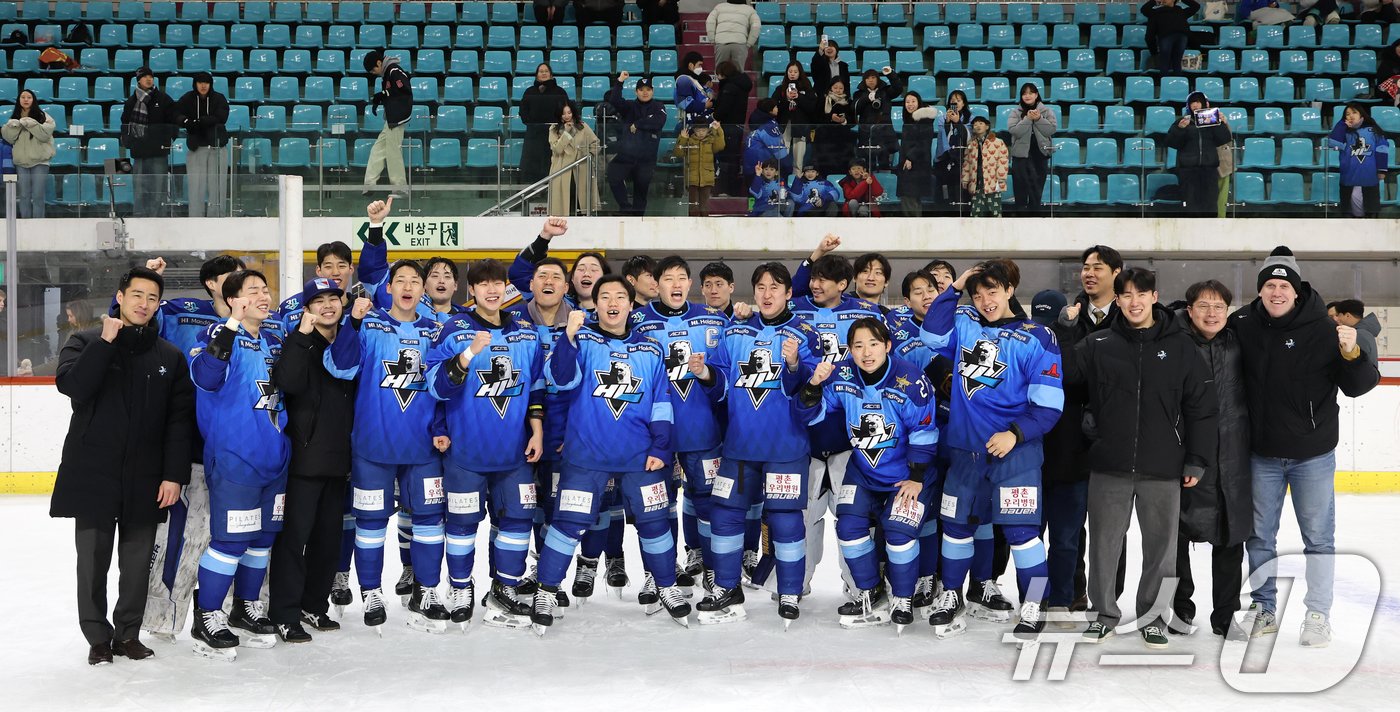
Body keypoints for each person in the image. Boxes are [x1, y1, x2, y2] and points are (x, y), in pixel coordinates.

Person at [1231, 246, 1380, 646]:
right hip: (1261, 452)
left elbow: (1358, 386)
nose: (1276, 292)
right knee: (1260, 536)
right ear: (1260, 290)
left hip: (1311, 454)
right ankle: (1263, 608)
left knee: (1318, 538)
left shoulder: (1324, 329)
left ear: (1297, 291)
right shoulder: (1242, 323)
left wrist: (1353, 353)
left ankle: (1317, 614)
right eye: (1269, 285)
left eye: (1283, 285)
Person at [530, 275, 691, 632]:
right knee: (568, 523)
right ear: (595, 304)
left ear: (631, 306)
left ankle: (665, 585)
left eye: (621, 296)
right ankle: (546, 589)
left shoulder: (649, 350)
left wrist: (661, 448)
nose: (613, 302)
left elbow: (662, 403)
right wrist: (568, 336)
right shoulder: (581, 339)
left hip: (640, 456)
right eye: (605, 297)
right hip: (587, 453)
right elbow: (561, 378)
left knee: (654, 522)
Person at [1070, 268, 1219, 650]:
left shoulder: (1182, 347)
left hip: (1163, 466)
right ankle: (1103, 614)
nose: (1134, 302)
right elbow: (1067, 386)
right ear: (1116, 300)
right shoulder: (1097, 343)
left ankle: (1154, 616)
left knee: (1162, 549)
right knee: (1104, 545)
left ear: (1154, 296)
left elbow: (1201, 409)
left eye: (1142, 294)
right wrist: (1090, 429)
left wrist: (1196, 459)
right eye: (1126, 295)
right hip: (1109, 465)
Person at [50, 267, 193, 665]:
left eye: (152, 298)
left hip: (146, 478)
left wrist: (174, 475)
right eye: (137, 295)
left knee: (135, 566)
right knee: (92, 563)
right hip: (94, 473)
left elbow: (178, 422)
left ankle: (127, 634)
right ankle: (97, 637)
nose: (144, 304)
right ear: (120, 296)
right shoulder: (85, 341)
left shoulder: (170, 357)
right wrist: (106, 343)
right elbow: (74, 388)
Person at [918, 259, 1064, 641]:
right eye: (978, 294)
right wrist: (955, 287)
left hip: (1015, 454)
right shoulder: (963, 322)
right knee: (956, 527)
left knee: (1022, 533)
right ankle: (951, 593)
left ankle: (1034, 602)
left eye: (993, 291)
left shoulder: (1039, 337)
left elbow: (1048, 405)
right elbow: (931, 337)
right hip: (965, 452)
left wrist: (1015, 434)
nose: (985, 300)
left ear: (1011, 290)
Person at [691, 262, 822, 626]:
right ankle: (727, 587)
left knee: (784, 520)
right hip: (739, 449)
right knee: (726, 515)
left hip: (786, 449)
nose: (766, 294)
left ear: (788, 293)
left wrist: (796, 366)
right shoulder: (736, 332)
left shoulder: (804, 334)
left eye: (775, 288)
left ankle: (791, 590)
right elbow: (719, 384)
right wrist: (704, 372)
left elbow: (810, 393)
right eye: (761, 287)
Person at [324, 260, 446, 633]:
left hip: (423, 449)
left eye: (415, 281)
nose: (408, 286)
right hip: (373, 447)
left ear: (423, 291)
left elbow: (445, 391)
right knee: (371, 522)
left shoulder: (438, 330)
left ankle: (426, 589)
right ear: (388, 288)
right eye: (401, 281)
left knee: (428, 521)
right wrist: (353, 322)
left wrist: (440, 428)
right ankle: (372, 591)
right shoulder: (369, 324)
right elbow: (340, 367)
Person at [425, 259, 546, 629]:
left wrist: (537, 430)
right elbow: (435, 387)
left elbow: (537, 386)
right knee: (462, 523)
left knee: (518, 519)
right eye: (483, 284)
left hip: (515, 451)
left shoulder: (526, 332)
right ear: (472, 291)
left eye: (498, 283)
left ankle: (504, 588)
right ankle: (460, 586)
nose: (492, 290)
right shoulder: (453, 330)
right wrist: (466, 356)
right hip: (466, 452)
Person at [803, 317, 939, 631]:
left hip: (907, 475)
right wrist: (812, 387)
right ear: (849, 350)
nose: (867, 352)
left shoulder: (911, 380)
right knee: (848, 528)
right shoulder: (842, 375)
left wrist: (917, 476)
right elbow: (813, 414)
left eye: (874, 344)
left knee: (898, 533)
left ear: (888, 346)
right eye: (858, 345)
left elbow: (924, 432)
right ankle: (869, 590)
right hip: (863, 472)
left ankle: (902, 597)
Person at [188, 269, 289, 659]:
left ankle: (245, 608)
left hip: (274, 460)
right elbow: (207, 378)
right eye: (252, 292)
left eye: (265, 290)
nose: (263, 296)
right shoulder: (213, 337)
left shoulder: (274, 342)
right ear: (232, 300)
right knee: (230, 542)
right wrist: (230, 326)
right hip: (235, 461)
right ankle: (207, 615)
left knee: (262, 541)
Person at [787, 237, 885, 599]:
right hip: (805, 434)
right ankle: (795, 582)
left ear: (843, 284)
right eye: (814, 277)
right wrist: (812, 257)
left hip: (850, 438)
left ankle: (859, 585)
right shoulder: (796, 310)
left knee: (854, 517)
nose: (815, 284)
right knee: (803, 517)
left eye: (824, 278)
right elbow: (785, 291)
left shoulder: (866, 313)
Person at [629, 256, 730, 601]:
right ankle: (657, 572)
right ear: (656, 284)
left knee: (707, 503)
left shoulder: (714, 321)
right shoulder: (637, 322)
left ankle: (713, 568)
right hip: (654, 437)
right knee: (656, 505)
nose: (675, 284)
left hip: (702, 433)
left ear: (690, 284)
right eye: (668, 278)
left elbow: (725, 386)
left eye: (682, 278)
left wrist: (706, 374)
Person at [267, 278, 353, 644]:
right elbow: (287, 382)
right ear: (306, 308)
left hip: (340, 460)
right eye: (318, 300)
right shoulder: (298, 341)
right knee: (295, 541)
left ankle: (313, 606)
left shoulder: (349, 342)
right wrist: (301, 337)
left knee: (329, 541)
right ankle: (285, 612)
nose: (328, 306)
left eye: (333, 298)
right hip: (304, 459)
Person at [1045, 246, 1124, 624]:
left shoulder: (1132, 319)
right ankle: (1072, 592)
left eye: (1098, 267)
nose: (1089, 273)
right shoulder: (1069, 318)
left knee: (1112, 527)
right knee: (1068, 525)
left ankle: (1109, 597)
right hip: (1071, 439)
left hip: (1117, 439)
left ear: (1117, 272)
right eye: (1085, 267)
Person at [1173, 279, 1252, 640]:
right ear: (1189, 311)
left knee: (1230, 541)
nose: (1211, 313)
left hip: (1233, 457)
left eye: (1219, 306)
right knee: (1175, 540)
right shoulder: (1174, 344)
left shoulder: (1239, 344)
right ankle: (1180, 611)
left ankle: (1226, 616)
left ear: (1228, 312)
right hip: (1187, 456)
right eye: (1203, 305)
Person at [605, 72, 666, 217]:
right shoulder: (629, 106)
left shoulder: (658, 106)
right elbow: (613, 100)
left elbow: (659, 121)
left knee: (641, 189)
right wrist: (620, 81)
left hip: (646, 158)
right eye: (641, 90)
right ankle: (625, 208)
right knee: (613, 174)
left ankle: (638, 218)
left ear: (653, 91)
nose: (645, 92)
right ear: (636, 91)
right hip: (626, 156)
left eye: (648, 89)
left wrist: (638, 124)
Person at [120, 67, 176, 217]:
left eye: (151, 76)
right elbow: (125, 124)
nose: (149, 79)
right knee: (139, 189)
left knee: (159, 190)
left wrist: (168, 140)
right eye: (145, 77)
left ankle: (158, 219)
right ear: (138, 80)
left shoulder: (164, 99)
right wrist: (129, 142)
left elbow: (173, 122)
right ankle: (140, 218)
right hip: (139, 153)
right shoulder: (131, 102)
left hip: (159, 153)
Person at [1165, 91, 1232, 217]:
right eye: (1192, 102)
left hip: (1209, 170)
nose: (1195, 105)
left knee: (1210, 205)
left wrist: (1221, 123)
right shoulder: (1182, 122)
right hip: (1188, 171)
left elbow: (1224, 139)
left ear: (1204, 104)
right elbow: (1171, 142)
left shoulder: (1213, 121)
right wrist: (1180, 130)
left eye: (1198, 102)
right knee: (1190, 206)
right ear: (1188, 105)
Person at [174, 72, 229, 217]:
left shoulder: (219, 98)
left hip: (217, 148)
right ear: (195, 84)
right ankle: (195, 218)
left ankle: (217, 217)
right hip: (196, 147)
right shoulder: (187, 98)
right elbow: (175, 113)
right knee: (195, 186)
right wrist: (186, 121)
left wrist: (200, 121)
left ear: (211, 84)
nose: (203, 85)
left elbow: (222, 117)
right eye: (200, 82)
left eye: (206, 82)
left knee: (217, 186)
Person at [362, 50, 414, 198]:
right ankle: (369, 184)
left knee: (393, 152)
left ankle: (400, 189)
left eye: (373, 69)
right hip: (391, 118)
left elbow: (404, 90)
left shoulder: (394, 70)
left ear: (379, 63)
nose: (373, 73)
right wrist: (383, 97)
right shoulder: (388, 73)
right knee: (377, 149)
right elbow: (392, 92)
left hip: (397, 117)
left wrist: (383, 94)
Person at [1327, 103, 1389, 219]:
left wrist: (1381, 169)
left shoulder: (1373, 131)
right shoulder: (1344, 132)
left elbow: (1382, 149)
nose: (1350, 116)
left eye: (1354, 112)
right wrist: (1342, 124)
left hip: (1369, 178)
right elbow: (1333, 143)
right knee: (1348, 215)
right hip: (1348, 178)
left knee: (1370, 215)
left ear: (1362, 115)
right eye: (1347, 114)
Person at [2, 89, 55, 218]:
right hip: (21, 162)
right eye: (23, 97)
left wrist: (31, 124)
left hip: (40, 161)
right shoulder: (14, 117)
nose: (26, 100)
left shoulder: (43, 116)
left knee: (38, 195)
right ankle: (25, 224)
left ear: (33, 100)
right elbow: (9, 138)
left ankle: (38, 224)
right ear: (19, 100)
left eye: (29, 97)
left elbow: (44, 135)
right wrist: (15, 126)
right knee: (24, 195)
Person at [1007, 84, 1057, 215]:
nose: (1027, 96)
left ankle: (1034, 222)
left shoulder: (1046, 111)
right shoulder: (1015, 112)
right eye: (1024, 93)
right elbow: (1014, 131)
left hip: (1040, 155)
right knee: (1020, 191)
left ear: (1036, 95)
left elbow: (1051, 130)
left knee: (1036, 193)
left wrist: (1039, 119)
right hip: (1021, 157)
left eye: (1030, 93)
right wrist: (1028, 119)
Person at [547, 101, 601, 216]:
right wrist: (566, 133)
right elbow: (557, 149)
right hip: (562, 170)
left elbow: (595, 143)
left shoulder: (583, 126)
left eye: (569, 112)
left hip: (581, 169)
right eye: (563, 113)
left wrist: (589, 155)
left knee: (581, 203)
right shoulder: (553, 129)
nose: (567, 116)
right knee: (563, 207)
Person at [520, 63, 571, 186]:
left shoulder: (560, 91)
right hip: (534, 134)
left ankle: (552, 188)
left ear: (551, 74)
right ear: (537, 75)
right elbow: (523, 111)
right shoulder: (529, 91)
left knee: (551, 161)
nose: (543, 73)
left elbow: (566, 110)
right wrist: (530, 121)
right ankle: (535, 189)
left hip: (554, 133)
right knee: (534, 162)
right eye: (541, 71)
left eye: (546, 71)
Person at [713, 61, 753, 196]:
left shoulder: (730, 87)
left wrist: (714, 114)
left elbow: (723, 109)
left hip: (727, 126)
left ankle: (726, 189)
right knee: (733, 158)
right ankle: (732, 189)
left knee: (726, 159)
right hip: (737, 126)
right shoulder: (741, 84)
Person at [852, 68, 902, 170]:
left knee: (884, 163)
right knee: (869, 165)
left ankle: (885, 184)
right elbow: (854, 109)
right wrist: (866, 98)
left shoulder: (886, 92)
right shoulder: (859, 94)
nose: (870, 80)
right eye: (868, 78)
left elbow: (898, 88)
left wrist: (890, 74)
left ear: (878, 79)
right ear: (864, 80)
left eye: (873, 77)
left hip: (884, 132)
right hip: (867, 134)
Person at [897, 92, 938, 217]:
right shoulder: (909, 119)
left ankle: (914, 228)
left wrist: (910, 158)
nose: (910, 104)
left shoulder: (925, 119)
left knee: (911, 197)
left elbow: (923, 143)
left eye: (913, 101)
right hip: (907, 163)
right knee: (907, 197)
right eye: (907, 102)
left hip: (917, 164)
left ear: (919, 102)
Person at [675, 120, 726, 217]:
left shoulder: (711, 141)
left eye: (703, 130)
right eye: (698, 130)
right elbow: (678, 153)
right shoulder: (689, 141)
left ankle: (704, 225)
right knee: (693, 205)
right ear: (694, 130)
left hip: (707, 178)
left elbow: (720, 146)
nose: (701, 133)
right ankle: (693, 225)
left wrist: (718, 130)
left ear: (708, 130)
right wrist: (682, 139)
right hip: (692, 178)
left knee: (705, 205)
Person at [962, 117, 1009, 217]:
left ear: (987, 126)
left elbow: (1003, 160)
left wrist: (1001, 178)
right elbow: (967, 162)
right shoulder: (971, 143)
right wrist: (965, 179)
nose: (978, 126)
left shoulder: (998, 142)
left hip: (993, 181)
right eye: (975, 124)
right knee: (976, 213)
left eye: (981, 123)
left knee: (995, 212)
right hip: (976, 181)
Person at [773, 68, 817, 172]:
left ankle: (797, 179)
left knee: (799, 158)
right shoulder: (780, 89)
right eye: (790, 71)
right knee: (783, 154)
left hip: (801, 126)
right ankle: (782, 177)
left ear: (800, 73)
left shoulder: (807, 89)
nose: (792, 74)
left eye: (795, 72)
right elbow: (774, 107)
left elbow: (811, 108)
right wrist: (786, 99)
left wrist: (799, 97)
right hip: (784, 125)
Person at [1141, 0, 1201, 74]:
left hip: (1179, 37)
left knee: (1175, 63)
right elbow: (1144, 10)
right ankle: (1166, 83)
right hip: (1170, 37)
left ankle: (1175, 83)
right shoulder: (1156, 12)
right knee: (1166, 63)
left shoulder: (1180, 11)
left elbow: (1196, 6)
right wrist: (1155, 1)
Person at [934, 90, 971, 208]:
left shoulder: (971, 118)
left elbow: (968, 138)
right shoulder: (942, 118)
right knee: (945, 193)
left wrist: (958, 122)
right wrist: (947, 122)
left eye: (958, 100)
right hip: (946, 159)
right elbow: (941, 138)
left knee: (960, 194)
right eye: (952, 101)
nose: (955, 103)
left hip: (963, 160)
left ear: (964, 103)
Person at [812, 79, 855, 177]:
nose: (838, 90)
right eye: (835, 87)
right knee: (824, 167)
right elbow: (816, 118)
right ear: (830, 88)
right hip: (824, 141)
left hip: (843, 142)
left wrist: (844, 120)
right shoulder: (822, 100)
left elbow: (853, 121)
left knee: (842, 168)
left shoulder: (849, 102)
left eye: (841, 88)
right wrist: (830, 118)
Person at [743, 99, 792, 178]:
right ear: (769, 110)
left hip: (750, 167)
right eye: (775, 107)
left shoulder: (758, 121)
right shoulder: (769, 127)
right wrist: (788, 168)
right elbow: (778, 150)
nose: (777, 108)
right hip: (761, 170)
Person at [706, 0, 760, 72]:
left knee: (720, 72)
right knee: (738, 73)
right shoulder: (749, 10)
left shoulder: (719, 7)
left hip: (721, 42)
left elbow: (710, 22)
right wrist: (749, 43)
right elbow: (756, 26)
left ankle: (723, 83)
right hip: (740, 43)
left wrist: (712, 40)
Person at [1327, 298, 1383, 364]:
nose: (1337, 319)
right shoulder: (1364, 333)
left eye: (1338, 315)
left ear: (1347, 315)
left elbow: (1356, 364)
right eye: (1330, 317)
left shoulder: (1358, 336)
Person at [676, 52, 716, 127]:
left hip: (698, 120)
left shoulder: (691, 79)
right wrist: (704, 105)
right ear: (691, 65)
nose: (701, 68)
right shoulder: (684, 80)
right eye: (699, 65)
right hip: (692, 123)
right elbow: (685, 104)